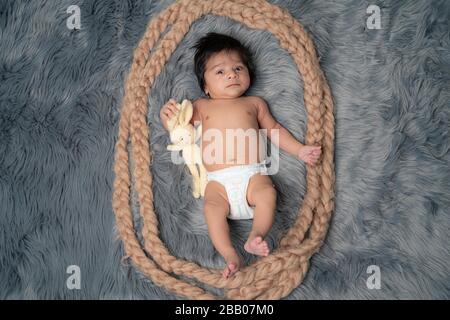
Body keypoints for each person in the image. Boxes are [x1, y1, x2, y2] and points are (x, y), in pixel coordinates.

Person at [160, 33, 321, 278]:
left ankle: (255, 237)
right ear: (205, 86)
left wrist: (300, 150)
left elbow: (274, 131)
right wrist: (168, 116)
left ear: (248, 73)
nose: (231, 75)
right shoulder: (201, 107)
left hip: (252, 175)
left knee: (268, 193)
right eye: (220, 72)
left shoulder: (255, 104)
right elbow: (179, 128)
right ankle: (229, 254)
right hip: (218, 182)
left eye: (237, 68)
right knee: (212, 210)